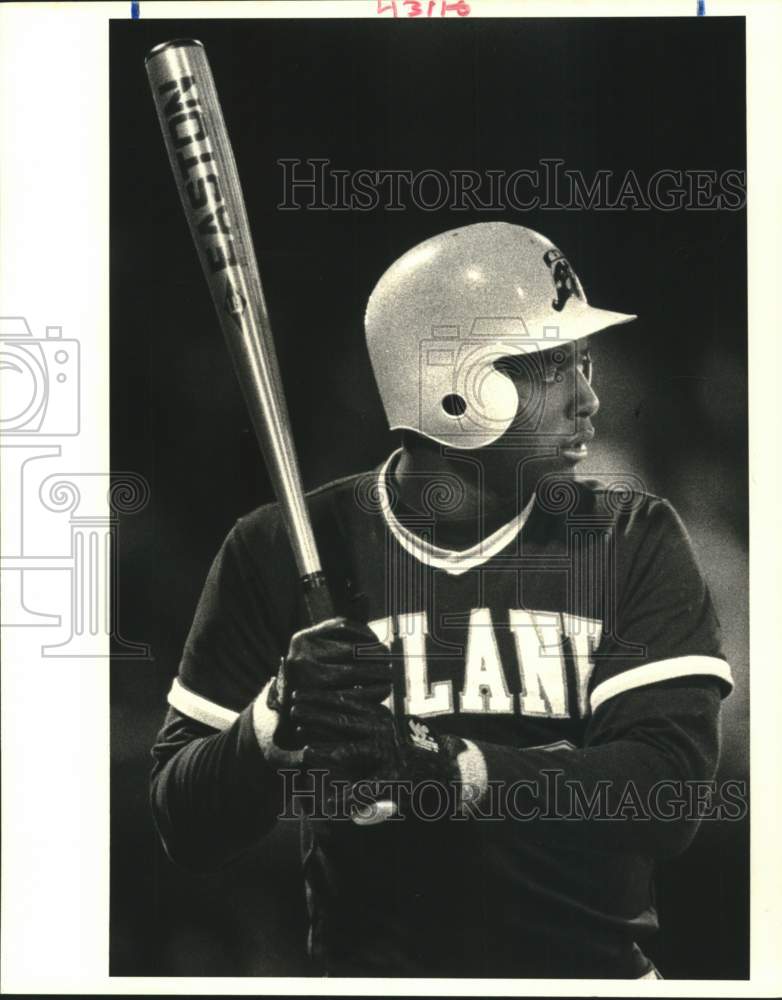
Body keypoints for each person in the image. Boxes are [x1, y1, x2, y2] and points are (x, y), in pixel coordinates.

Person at [150, 222, 733, 979]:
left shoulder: (630, 537)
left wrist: (452, 769)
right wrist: (272, 721)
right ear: (457, 386)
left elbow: (667, 793)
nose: (590, 399)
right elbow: (183, 826)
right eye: (555, 367)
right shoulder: (280, 546)